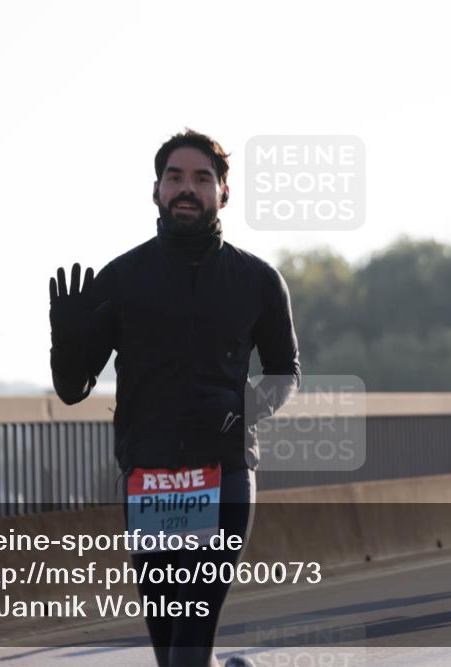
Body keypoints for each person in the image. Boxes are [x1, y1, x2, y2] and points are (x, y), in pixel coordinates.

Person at [48, 129, 301, 667]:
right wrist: (64, 345)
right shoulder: (120, 278)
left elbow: (285, 372)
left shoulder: (258, 279)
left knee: (190, 637)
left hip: (224, 472)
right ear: (156, 191)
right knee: (173, 652)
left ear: (223, 193)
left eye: (202, 179)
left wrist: (246, 409)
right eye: (175, 178)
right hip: (150, 479)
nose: (187, 188)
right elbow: (73, 390)